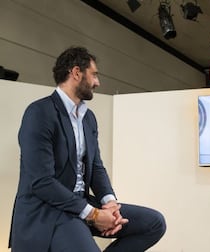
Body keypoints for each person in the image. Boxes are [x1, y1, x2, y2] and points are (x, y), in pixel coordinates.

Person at [9, 46, 166, 252]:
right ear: (76, 73)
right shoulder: (39, 113)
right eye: (94, 75)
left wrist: (109, 203)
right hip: (50, 210)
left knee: (154, 223)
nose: (97, 82)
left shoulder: (88, 118)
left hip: (81, 204)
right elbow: (42, 182)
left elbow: (96, 166)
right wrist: (93, 214)